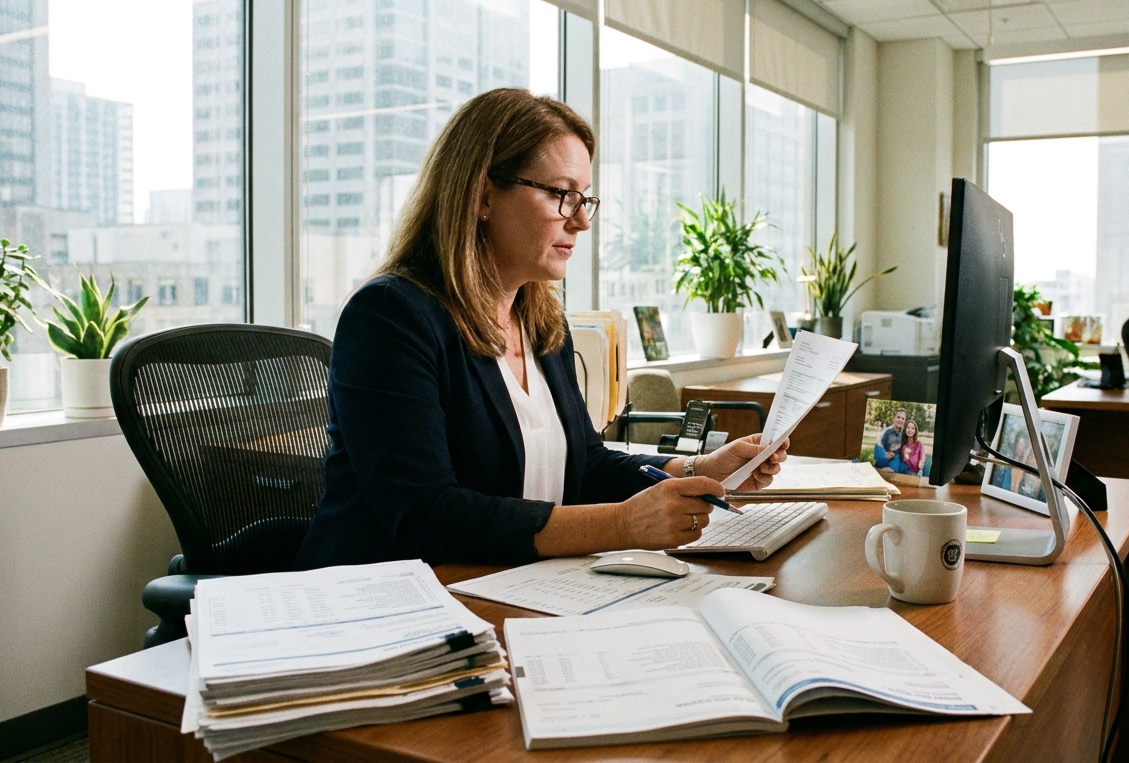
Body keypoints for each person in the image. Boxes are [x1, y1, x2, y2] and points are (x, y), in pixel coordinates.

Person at [294, 89, 787, 570]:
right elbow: (427, 515)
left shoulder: (543, 323)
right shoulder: (389, 316)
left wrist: (698, 469)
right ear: (483, 195)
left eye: (584, 199)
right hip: (395, 604)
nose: (581, 223)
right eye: (561, 195)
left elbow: (587, 464)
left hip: (508, 585)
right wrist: (622, 525)